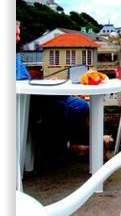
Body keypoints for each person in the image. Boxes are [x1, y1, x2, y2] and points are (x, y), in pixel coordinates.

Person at [16, 21, 92, 162]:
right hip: (26, 100)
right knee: (59, 107)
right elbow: (21, 84)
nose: (19, 38)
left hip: (36, 93)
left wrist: (45, 81)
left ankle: (80, 145)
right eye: (16, 34)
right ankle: (56, 150)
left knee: (81, 105)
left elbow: (27, 78)